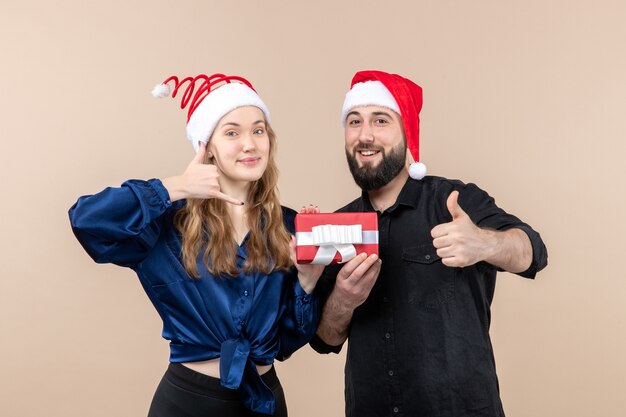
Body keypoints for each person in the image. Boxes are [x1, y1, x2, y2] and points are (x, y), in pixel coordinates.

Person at [69, 73, 323, 417]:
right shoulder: (168, 222)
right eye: (232, 132)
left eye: (258, 130)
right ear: (209, 147)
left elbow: (285, 344)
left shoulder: (288, 226)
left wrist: (307, 279)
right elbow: (87, 221)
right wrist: (174, 187)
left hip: (265, 401)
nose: (249, 144)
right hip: (188, 403)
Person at [310, 70, 548, 417]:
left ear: (407, 133)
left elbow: (533, 252)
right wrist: (343, 301)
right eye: (354, 121)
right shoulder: (337, 226)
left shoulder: (454, 200)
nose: (365, 135)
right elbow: (326, 339)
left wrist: (482, 244)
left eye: (380, 120)